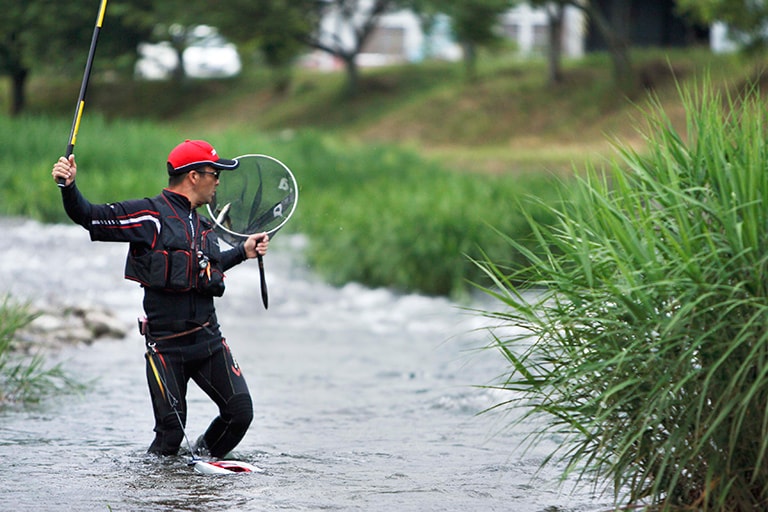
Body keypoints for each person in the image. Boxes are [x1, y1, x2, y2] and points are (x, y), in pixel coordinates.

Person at [52, 139, 269, 459]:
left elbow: (205, 267)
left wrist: (242, 252)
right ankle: (156, 494)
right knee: (169, 439)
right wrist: (69, 187)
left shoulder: (203, 224)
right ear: (193, 176)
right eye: (214, 173)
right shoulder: (149, 216)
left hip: (209, 341)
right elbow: (89, 216)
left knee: (239, 414)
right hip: (166, 348)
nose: (218, 180)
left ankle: (202, 463)